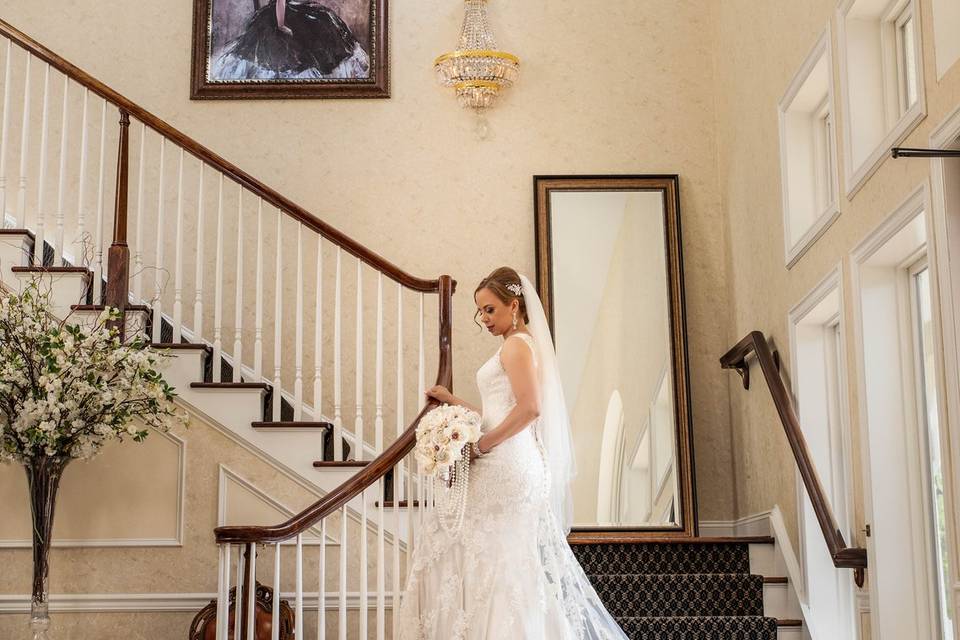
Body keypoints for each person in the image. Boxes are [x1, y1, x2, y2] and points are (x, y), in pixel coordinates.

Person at [395, 267, 629, 639]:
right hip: (512, 461)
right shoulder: (520, 343)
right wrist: (453, 404)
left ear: (514, 305)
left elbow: (531, 408)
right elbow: (501, 411)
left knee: (488, 558)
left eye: (489, 310)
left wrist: (481, 445)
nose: (484, 319)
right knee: (499, 563)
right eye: (480, 312)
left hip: (508, 466)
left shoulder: (517, 345)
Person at [211, 0, 369, 80]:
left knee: (323, 20)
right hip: (280, 15)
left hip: (293, 8)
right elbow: (280, 2)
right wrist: (281, 26)